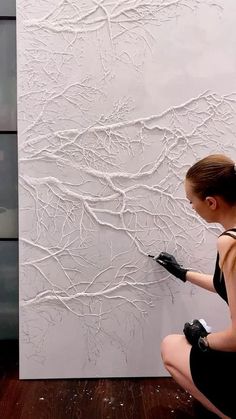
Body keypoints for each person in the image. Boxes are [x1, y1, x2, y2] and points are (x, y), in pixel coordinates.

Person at [150, 154, 236, 419]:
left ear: (211, 202)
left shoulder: (230, 243)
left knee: (170, 346)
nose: (192, 208)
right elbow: (227, 285)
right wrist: (182, 273)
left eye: (191, 202)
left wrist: (202, 341)